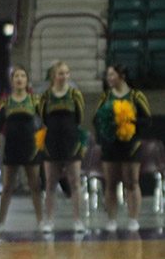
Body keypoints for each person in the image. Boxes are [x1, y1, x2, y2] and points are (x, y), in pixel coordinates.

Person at [93, 64, 151, 232]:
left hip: (131, 146)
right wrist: (107, 130)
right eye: (108, 75)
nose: (109, 78)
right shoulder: (106, 97)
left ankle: (133, 219)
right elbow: (96, 120)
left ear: (122, 76)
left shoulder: (136, 96)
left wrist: (129, 122)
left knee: (131, 182)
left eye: (113, 75)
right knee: (110, 183)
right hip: (110, 146)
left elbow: (147, 120)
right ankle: (111, 220)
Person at [0, 65, 43, 232]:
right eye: (16, 77)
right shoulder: (5, 101)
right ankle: (1, 222)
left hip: (30, 147)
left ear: (27, 81)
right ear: (12, 81)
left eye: (22, 76)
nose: (19, 79)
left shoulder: (34, 100)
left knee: (34, 185)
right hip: (11, 148)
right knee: (7, 187)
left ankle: (41, 220)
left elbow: (43, 122)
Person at [38, 61, 86, 234]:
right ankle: (49, 220)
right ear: (53, 76)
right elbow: (42, 116)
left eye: (66, 73)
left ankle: (78, 220)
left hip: (71, 141)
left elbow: (80, 117)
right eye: (60, 73)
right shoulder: (45, 96)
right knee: (50, 183)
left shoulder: (75, 94)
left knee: (75, 182)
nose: (64, 76)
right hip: (52, 142)